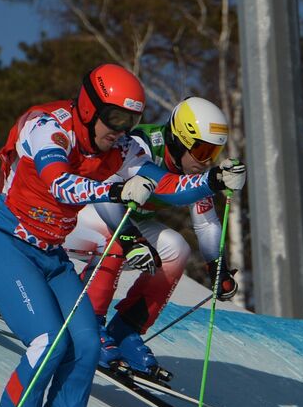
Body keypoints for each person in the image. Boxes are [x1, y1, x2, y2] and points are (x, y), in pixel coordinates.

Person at [0, 63, 155, 407]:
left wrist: (209, 181)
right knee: (47, 344)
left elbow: (164, 179)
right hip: (7, 248)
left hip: (51, 259)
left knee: (87, 346)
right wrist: (114, 192)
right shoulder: (47, 128)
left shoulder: (120, 148)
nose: (122, 130)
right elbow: (60, 183)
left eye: (130, 122)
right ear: (91, 108)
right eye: (115, 119)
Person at [67, 96, 246, 380]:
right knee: (114, 238)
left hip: (125, 224)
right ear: (178, 139)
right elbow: (103, 194)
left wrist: (216, 267)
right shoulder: (141, 145)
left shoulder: (192, 170)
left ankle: (125, 331)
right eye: (200, 150)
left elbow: (206, 220)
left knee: (176, 249)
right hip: (78, 215)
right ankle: (85, 327)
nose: (205, 161)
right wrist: (129, 240)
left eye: (214, 153)